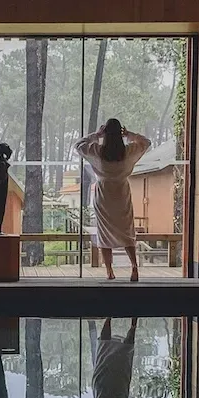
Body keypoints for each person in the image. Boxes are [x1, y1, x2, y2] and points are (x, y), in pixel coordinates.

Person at [73, 119, 152, 281]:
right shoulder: (129, 151)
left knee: (104, 233)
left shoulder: (97, 151)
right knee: (127, 231)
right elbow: (146, 142)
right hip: (122, 192)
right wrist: (130, 134)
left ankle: (109, 271)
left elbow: (79, 145)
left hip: (104, 194)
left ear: (106, 134)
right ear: (120, 134)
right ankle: (134, 267)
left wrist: (96, 135)